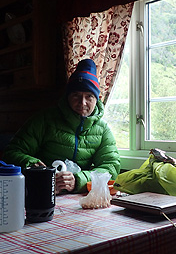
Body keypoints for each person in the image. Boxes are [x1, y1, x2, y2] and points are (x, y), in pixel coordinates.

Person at [3, 58, 121, 194]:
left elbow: (111, 167)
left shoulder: (102, 129)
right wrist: (32, 164)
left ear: (96, 99)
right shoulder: (44, 120)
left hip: (77, 198)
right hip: (39, 191)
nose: (82, 103)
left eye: (89, 96)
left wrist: (79, 180)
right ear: (67, 97)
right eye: (76, 95)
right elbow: (11, 153)